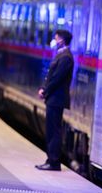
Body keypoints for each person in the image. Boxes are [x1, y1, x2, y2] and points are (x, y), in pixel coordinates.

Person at [35, 30, 74, 171]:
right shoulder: (62, 55)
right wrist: (44, 89)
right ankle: (51, 159)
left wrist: (45, 91)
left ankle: (54, 162)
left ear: (62, 40)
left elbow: (56, 79)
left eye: (56, 38)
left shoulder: (65, 58)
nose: (54, 40)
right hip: (54, 98)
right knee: (51, 130)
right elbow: (52, 77)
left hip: (56, 99)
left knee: (54, 131)